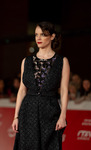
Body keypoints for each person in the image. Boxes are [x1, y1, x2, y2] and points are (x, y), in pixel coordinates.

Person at [12, 21, 70, 150]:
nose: (38, 38)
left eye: (43, 34)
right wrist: (16, 117)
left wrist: (63, 116)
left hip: (50, 112)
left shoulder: (62, 62)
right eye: (36, 34)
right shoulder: (26, 62)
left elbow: (65, 91)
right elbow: (22, 90)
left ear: (52, 36)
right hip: (27, 112)